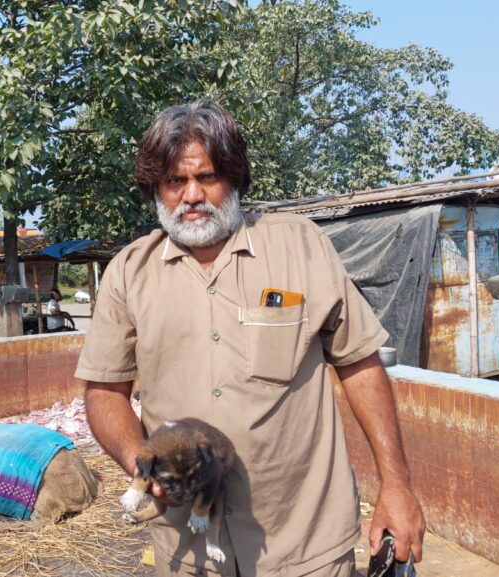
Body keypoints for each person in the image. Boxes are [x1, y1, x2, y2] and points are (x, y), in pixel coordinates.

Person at [77, 100, 425, 577]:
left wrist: (397, 485)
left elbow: (360, 363)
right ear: (156, 188)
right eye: (175, 181)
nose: (191, 195)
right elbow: (104, 392)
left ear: (235, 178)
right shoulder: (128, 273)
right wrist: (142, 464)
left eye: (207, 177)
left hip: (303, 541)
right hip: (189, 547)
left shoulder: (301, 246)